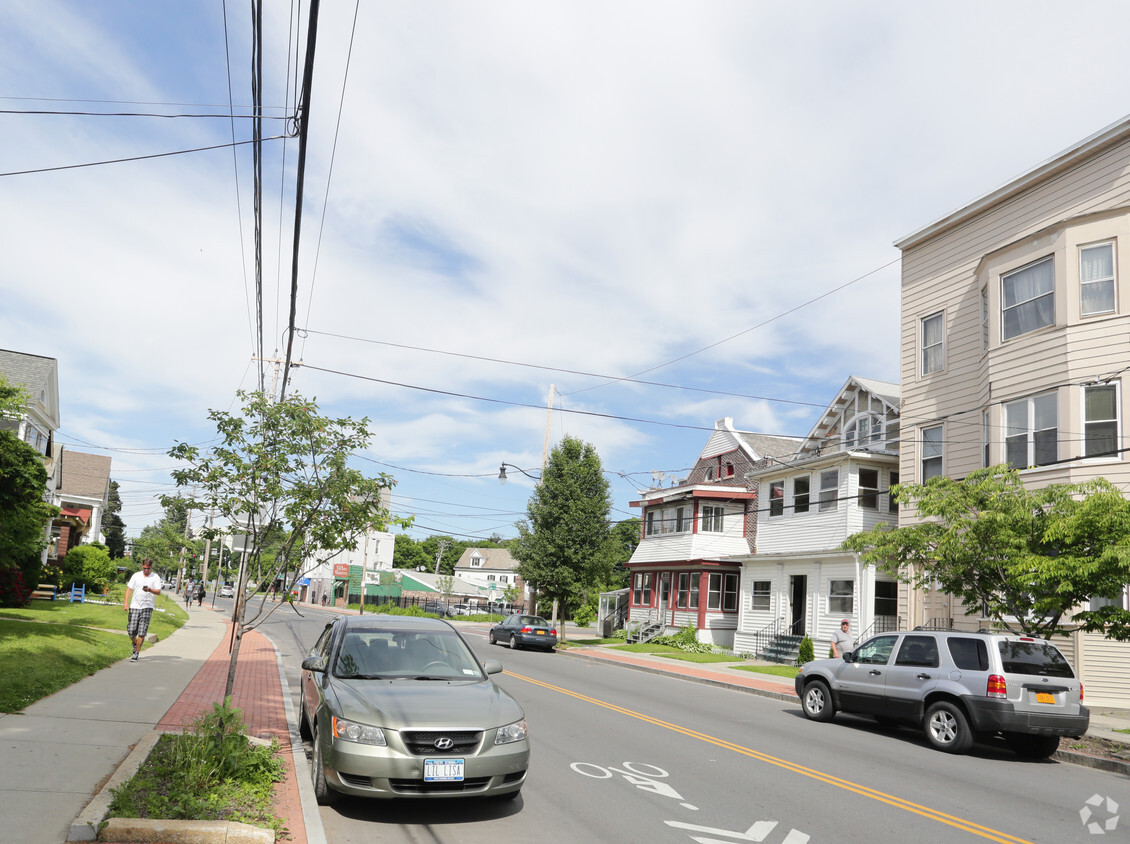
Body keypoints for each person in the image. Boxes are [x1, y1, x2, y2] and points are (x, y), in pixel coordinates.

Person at [124, 559, 163, 661]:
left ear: (151, 567)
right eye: (144, 568)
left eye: (148, 568)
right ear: (142, 566)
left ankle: (136, 653)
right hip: (135, 606)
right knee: (131, 631)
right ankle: (135, 643)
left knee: (142, 631)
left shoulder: (155, 577)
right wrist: (125, 602)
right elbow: (129, 589)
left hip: (147, 606)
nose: (146, 570)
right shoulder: (136, 575)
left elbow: (158, 592)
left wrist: (149, 589)